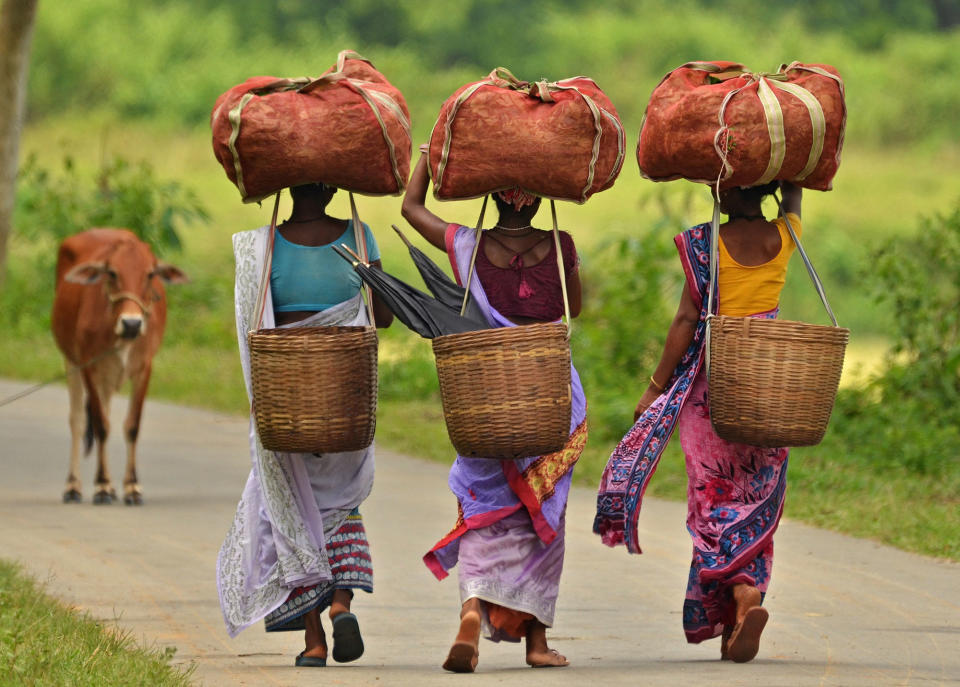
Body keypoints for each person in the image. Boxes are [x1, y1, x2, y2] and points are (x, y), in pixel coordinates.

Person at [594, 180, 803, 663]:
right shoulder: (786, 234)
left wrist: (655, 385)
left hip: (716, 383)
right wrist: (788, 178)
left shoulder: (704, 243)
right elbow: (795, 198)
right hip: (769, 382)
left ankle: (739, 597)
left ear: (725, 194)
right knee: (755, 497)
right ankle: (745, 600)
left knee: (713, 497)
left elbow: (688, 319)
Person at [401, 153, 586, 672]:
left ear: (492, 196)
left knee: (484, 513)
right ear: (541, 198)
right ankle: (536, 643)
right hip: (548, 394)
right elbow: (577, 304)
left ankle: (470, 611)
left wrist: (429, 156)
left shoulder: (467, 246)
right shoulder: (561, 244)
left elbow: (411, 207)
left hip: (487, 395)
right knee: (543, 513)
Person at [217, 182, 393, 668]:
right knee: (341, 503)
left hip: (286, 400)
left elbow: (254, 323)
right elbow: (383, 315)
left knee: (289, 509)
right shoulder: (360, 236)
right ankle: (341, 604)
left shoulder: (263, 246)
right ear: (336, 185)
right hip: (344, 398)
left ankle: (313, 640)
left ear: (286, 185)